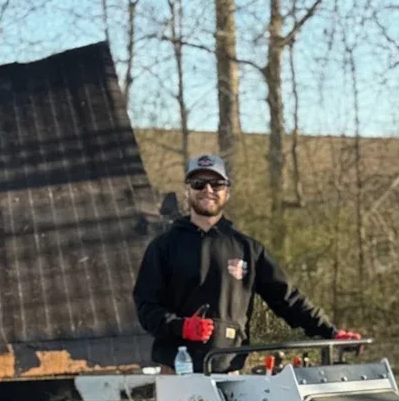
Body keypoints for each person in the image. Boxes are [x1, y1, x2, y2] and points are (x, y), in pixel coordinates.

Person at [133, 152, 360, 372]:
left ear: (227, 192)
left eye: (217, 184)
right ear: (187, 191)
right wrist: (180, 327)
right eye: (199, 183)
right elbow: (146, 307)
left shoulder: (248, 249)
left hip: (230, 371)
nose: (208, 190)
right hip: (177, 370)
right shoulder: (163, 247)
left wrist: (331, 333)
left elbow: (288, 299)